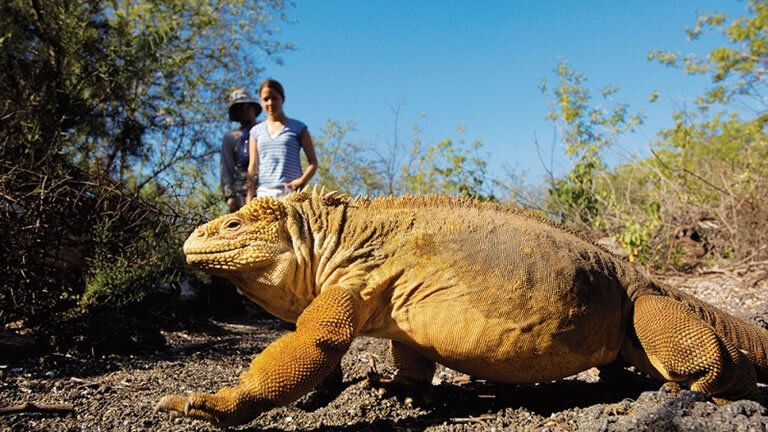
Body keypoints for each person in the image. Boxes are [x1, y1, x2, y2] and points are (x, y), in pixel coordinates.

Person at [246, 79, 318, 201]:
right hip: (264, 195)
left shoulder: (298, 128)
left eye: (274, 98)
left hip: (291, 193)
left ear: (282, 99)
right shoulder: (256, 131)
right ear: (261, 102)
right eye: (266, 99)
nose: (270, 103)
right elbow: (253, 167)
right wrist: (249, 196)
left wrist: (302, 180)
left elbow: (313, 162)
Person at [221, 88, 261, 212]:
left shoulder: (266, 131)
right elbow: (226, 169)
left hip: (265, 186)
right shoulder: (231, 138)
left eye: (247, 105)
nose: (244, 109)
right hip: (240, 191)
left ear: (254, 107)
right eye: (239, 107)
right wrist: (229, 197)